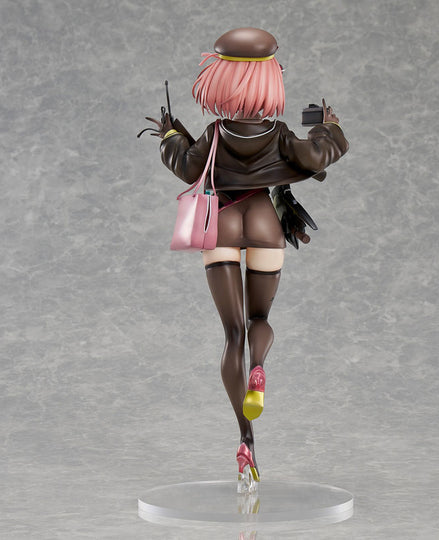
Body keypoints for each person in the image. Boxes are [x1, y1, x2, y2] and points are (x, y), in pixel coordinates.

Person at [151, 27, 348, 492]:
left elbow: (186, 165)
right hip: (264, 224)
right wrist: (328, 126)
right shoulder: (280, 135)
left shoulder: (215, 134)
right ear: (269, 81)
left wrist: (170, 133)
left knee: (232, 333)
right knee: (260, 319)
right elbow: (319, 155)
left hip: (220, 225)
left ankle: (245, 441)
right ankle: (258, 366)